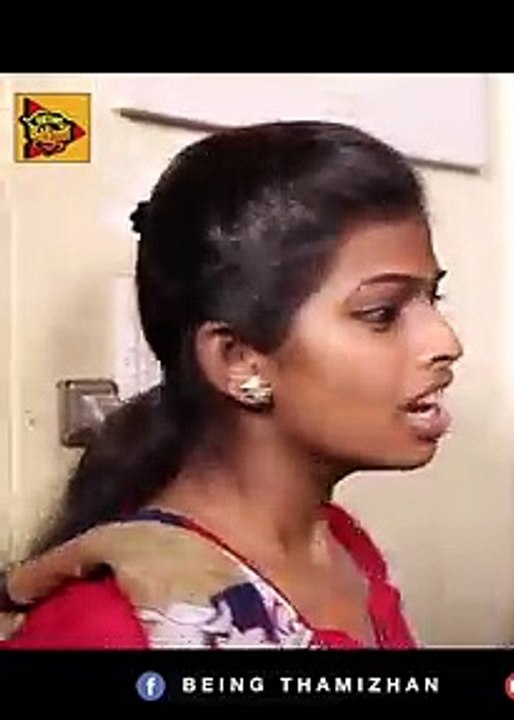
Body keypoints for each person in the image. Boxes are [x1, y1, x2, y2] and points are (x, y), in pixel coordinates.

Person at [0, 120, 463, 649]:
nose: (445, 341)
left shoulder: (343, 546)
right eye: (382, 313)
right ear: (239, 360)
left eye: (433, 299)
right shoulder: (105, 627)